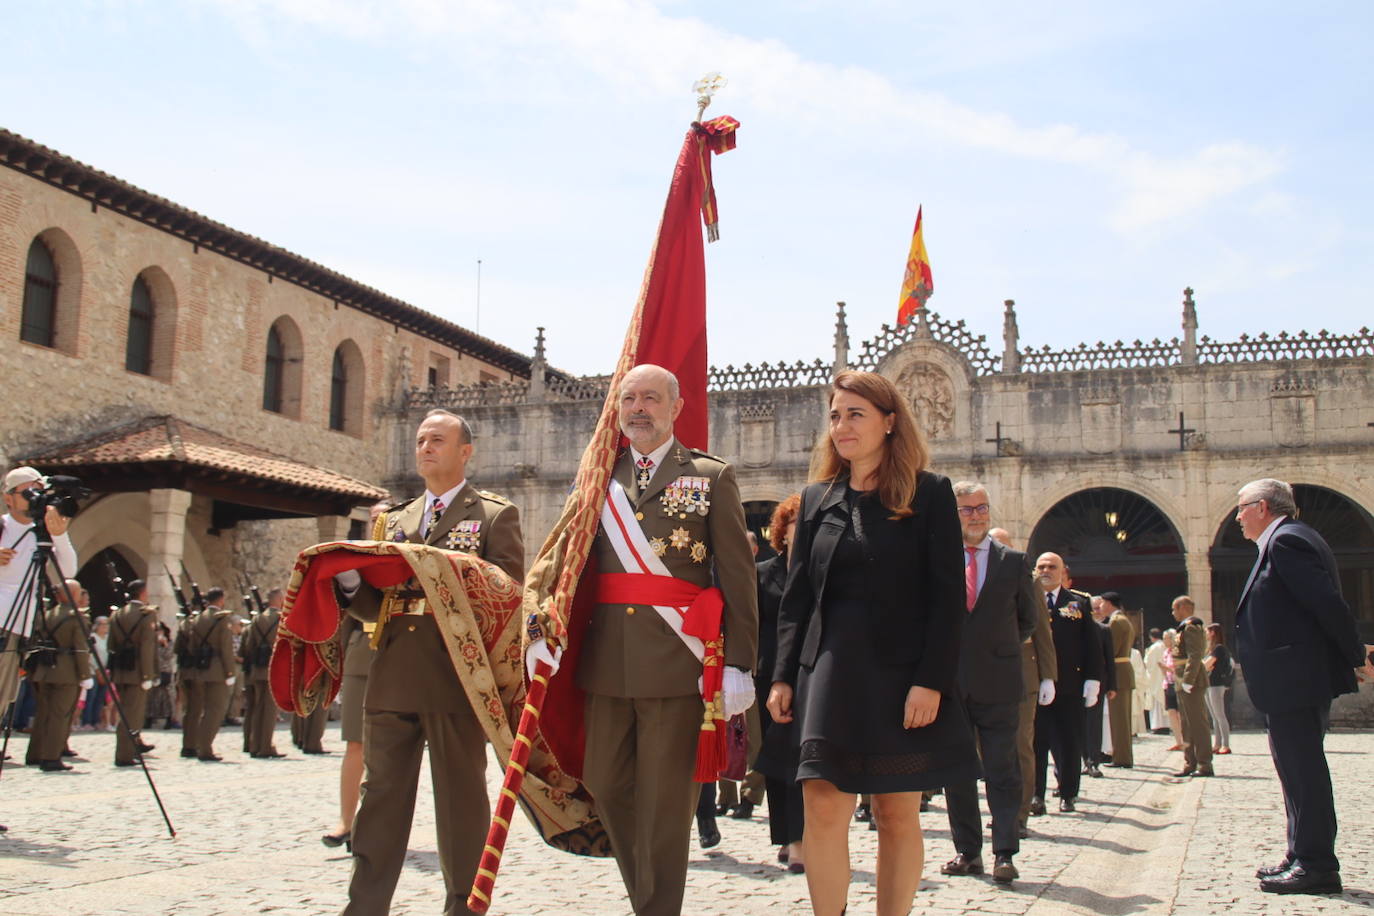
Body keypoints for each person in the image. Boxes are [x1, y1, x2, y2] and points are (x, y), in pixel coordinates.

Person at [534, 364, 757, 916]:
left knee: (664, 805)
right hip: (605, 659)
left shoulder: (710, 476)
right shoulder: (597, 478)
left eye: (651, 398)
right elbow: (567, 562)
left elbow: (736, 577)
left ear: (675, 407)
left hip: (677, 662)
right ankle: (650, 902)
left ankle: (656, 909)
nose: (638, 408)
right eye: (628, 399)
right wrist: (544, 621)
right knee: (605, 785)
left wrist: (740, 664)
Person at [768, 370, 976, 916]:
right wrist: (783, 675)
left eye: (855, 414)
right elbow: (798, 600)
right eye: (835, 415)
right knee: (822, 806)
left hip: (902, 675)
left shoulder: (930, 495)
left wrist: (930, 681)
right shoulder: (815, 500)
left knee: (895, 813)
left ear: (889, 422)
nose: (841, 426)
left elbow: (947, 598)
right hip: (828, 675)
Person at [337, 408, 524, 916]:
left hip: (456, 679)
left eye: (437, 440)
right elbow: (376, 608)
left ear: (465, 452)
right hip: (393, 675)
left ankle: (463, 906)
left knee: (461, 802)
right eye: (421, 440)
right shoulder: (390, 521)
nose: (425, 448)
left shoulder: (491, 515)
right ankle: (365, 906)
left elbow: (506, 599)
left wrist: (444, 574)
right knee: (380, 802)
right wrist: (350, 584)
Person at [1232, 478, 1369, 895]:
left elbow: (1326, 603)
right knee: (1294, 769)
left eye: (1241, 508)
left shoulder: (1289, 540)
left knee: (1304, 770)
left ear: (1261, 507)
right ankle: (1300, 853)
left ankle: (1317, 865)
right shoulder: (1286, 539)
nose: (1237, 517)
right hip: (1289, 678)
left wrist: (1356, 655)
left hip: (1295, 677)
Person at [940, 481, 1039, 884]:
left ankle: (1004, 852)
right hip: (949, 682)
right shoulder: (938, 560)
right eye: (967, 509)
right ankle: (967, 851)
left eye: (981, 508)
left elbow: (1028, 620)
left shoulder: (1013, 562)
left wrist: (994, 649)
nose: (977, 515)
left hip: (999, 681)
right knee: (957, 770)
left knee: (1003, 770)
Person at [324, 499, 388, 851]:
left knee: (391, 752)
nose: (378, 523)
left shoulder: (407, 557)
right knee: (355, 744)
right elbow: (342, 618)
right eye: (373, 519)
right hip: (362, 659)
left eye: (385, 518)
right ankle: (346, 821)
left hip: (400, 657)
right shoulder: (353, 560)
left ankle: (378, 824)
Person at [1, 468, 77, 741]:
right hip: (1, 619)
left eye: (38, 491)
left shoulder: (41, 532)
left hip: (21, 624)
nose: (34, 499)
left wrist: (59, 534)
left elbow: (67, 571)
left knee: (5, 696)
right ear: (8, 498)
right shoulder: (2, 526)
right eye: (27, 493)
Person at [752, 493, 805, 874]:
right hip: (768, 675)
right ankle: (785, 836)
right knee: (776, 760)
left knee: (805, 759)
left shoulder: (822, 575)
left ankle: (803, 839)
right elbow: (750, 626)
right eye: (794, 523)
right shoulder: (763, 574)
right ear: (781, 532)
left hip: (811, 674)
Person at [1030, 552, 1102, 815]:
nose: (1046, 571)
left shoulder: (1077, 602)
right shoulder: (1027, 598)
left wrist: (1093, 679)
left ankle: (1068, 793)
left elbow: (1090, 643)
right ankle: (1036, 795)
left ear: (1063, 572)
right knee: (1035, 742)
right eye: (1041, 566)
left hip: (1070, 683)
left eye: (1052, 566)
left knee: (1069, 740)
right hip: (1035, 683)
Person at [25, 579, 91, 771]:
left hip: (46, 669)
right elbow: (80, 648)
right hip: (67, 671)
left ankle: (35, 754)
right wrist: (85, 674)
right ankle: (51, 757)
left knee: (43, 714)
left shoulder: (48, 614)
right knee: (60, 716)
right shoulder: (76, 617)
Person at [108, 579, 159, 766]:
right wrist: (148, 674)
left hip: (121, 669)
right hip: (138, 671)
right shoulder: (146, 615)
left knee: (126, 712)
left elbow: (111, 645)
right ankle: (124, 754)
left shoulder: (117, 614)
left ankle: (126, 751)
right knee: (133, 715)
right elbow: (147, 648)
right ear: (143, 593)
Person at [186, 587, 236, 761]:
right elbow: (226, 649)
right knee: (215, 710)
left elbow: (191, 647)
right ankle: (205, 748)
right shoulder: (221, 619)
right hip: (217, 670)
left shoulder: (198, 619)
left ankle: (199, 744)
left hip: (201, 669)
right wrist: (230, 671)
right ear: (220, 600)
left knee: (204, 709)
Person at [1168, 597, 1212, 778]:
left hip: (1191, 681)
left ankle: (1204, 764)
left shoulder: (1192, 626)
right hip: (1182, 680)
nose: (1173, 613)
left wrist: (1188, 679)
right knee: (1186, 725)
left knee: (1197, 723)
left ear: (1182, 608)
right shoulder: (1185, 627)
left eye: (1174, 609)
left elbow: (1195, 655)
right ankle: (1190, 762)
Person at [241, 587, 283, 758]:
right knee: (270, 710)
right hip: (274, 668)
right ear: (279, 600)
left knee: (258, 708)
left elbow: (248, 647)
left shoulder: (257, 619)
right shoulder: (281, 618)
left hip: (258, 669)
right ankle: (265, 746)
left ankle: (254, 744)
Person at [1102, 592, 1135, 768]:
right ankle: (1123, 755)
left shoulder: (1115, 622)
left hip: (1118, 672)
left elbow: (1110, 649)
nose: (1100, 607)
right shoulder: (1124, 620)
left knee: (1119, 719)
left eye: (1102, 603)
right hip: (1123, 671)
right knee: (1122, 718)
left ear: (1108, 603)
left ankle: (1121, 757)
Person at [1203, 623, 1232, 755]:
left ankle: (1225, 744)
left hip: (1216, 684)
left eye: (1207, 632)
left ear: (1213, 632)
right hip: (1209, 684)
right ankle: (1217, 743)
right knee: (1214, 716)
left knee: (1220, 715)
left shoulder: (1219, 648)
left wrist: (1205, 666)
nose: (1206, 634)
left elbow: (1206, 665)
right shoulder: (1211, 649)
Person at [79, 616, 111, 731]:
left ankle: (96, 720)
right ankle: (87, 721)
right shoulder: (93, 638)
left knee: (100, 698)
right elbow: (90, 655)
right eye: (102, 624)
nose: (105, 627)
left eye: (107, 624)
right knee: (91, 697)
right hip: (94, 671)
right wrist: (97, 669)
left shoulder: (108, 638)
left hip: (105, 671)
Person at [1160, 630, 1184, 749]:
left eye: (1166, 638)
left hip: (1177, 683)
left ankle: (1184, 739)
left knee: (1180, 713)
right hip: (1168, 684)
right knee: (1171, 712)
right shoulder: (1166, 652)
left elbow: (1178, 669)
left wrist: (1167, 669)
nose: (1164, 641)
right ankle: (1178, 740)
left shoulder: (1177, 652)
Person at [1141, 628, 1166, 733]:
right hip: (1163, 677)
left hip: (1155, 677)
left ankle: (1158, 726)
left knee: (1156, 701)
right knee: (1163, 700)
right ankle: (1166, 725)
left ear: (1151, 637)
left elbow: (1147, 663)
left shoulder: (1153, 648)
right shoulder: (1165, 646)